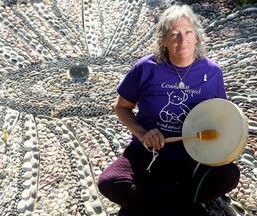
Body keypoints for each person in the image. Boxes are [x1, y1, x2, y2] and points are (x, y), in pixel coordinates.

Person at [98, 4, 240, 216]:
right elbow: (122, 107)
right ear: (163, 40)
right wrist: (143, 133)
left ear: (197, 38)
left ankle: (152, 202)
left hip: (192, 159)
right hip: (147, 155)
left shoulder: (212, 72)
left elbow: (220, 117)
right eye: (174, 35)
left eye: (188, 33)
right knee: (109, 182)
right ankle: (184, 204)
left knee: (229, 175)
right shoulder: (145, 67)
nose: (182, 41)